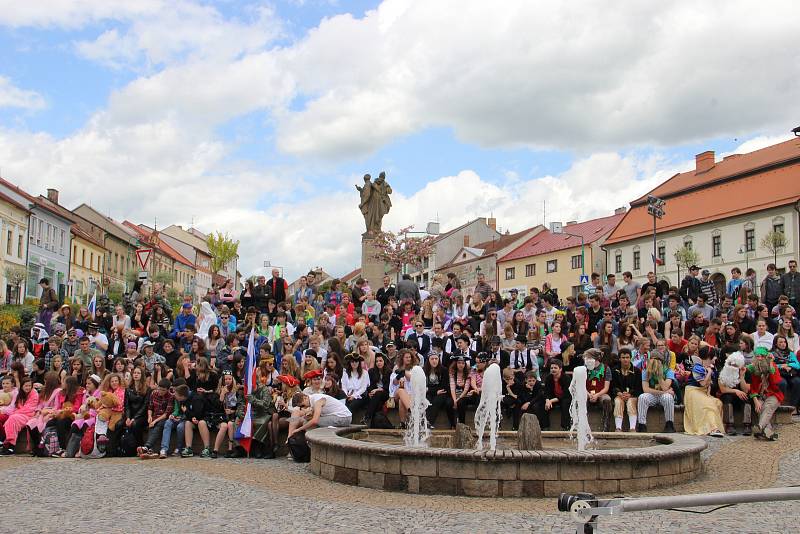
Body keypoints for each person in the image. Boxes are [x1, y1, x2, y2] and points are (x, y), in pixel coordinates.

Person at [683, 346, 724, 437]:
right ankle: (712, 428)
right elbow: (702, 383)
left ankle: (714, 426)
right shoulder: (697, 368)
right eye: (714, 356)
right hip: (693, 391)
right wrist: (709, 372)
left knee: (717, 402)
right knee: (708, 404)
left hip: (702, 392)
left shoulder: (710, 367)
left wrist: (708, 394)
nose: (715, 358)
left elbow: (708, 385)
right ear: (709, 357)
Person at [748, 347, 783, 440]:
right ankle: (768, 432)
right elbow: (753, 388)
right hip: (760, 395)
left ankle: (759, 427)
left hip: (773, 394)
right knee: (760, 408)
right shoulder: (754, 369)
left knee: (768, 407)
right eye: (757, 356)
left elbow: (776, 381)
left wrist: (771, 364)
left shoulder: (773, 366)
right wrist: (756, 401)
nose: (759, 358)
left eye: (762, 356)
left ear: (766, 357)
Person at [636, 354, 676, 433]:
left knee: (668, 397)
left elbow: (665, 387)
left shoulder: (668, 370)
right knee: (642, 397)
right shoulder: (646, 370)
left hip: (664, 396)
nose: (654, 363)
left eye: (657, 361)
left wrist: (659, 374)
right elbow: (645, 389)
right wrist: (664, 392)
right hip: (652, 395)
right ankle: (642, 425)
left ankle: (669, 425)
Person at [287, 391, 352, 439]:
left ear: (305, 398)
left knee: (309, 423)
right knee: (306, 421)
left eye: (302, 405)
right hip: (340, 417)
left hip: (344, 418)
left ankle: (311, 443)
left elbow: (315, 420)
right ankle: (311, 442)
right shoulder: (313, 400)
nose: (303, 408)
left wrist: (299, 429)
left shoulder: (317, 401)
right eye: (301, 407)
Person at [0, 377, 40, 455]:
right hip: (18, 414)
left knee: (12, 418)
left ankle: (10, 445)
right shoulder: (18, 393)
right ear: (22, 386)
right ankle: (9, 446)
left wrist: (15, 413)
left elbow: (30, 408)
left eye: (29, 386)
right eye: (26, 386)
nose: (28, 387)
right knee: (12, 420)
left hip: (28, 415)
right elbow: (15, 406)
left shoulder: (34, 393)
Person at [137, 378, 174, 459]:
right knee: (151, 425)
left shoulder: (170, 396)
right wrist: (149, 417)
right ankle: (149, 449)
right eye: (159, 389)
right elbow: (150, 407)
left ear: (167, 390)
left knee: (159, 424)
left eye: (163, 390)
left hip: (163, 418)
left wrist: (155, 421)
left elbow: (166, 414)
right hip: (154, 416)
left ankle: (147, 447)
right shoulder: (154, 393)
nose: (160, 392)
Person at [717, 351, 751, 435]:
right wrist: (736, 391)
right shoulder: (722, 372)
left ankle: (747, 425)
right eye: (730, 364)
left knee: (746, 397)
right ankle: (729, 425)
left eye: (735, 366)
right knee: (727, 397)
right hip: (727, 396)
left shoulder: (745, 372)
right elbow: (723, 389)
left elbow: (746, 390)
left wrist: (742, 377)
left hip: (740, 397)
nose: (732, 367)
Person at [611, 348, 642, 432]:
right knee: (618, 402)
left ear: (630, 358)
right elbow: (612, 386)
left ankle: (632, 428)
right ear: (619, 359)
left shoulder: (637, 371)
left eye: (627, 357)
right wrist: (619, 393)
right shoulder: (614, 370)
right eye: (623, 357)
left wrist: (630, 394)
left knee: (630, 402)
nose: (625, 359)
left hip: (633, 396)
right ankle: (618, 428)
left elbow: (639, 388)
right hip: (619, 395)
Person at [582, 349, 612, 432]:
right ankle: (581, 427)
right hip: (587, 392)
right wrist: (588, 394)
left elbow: (606, 387)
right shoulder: (584, 368)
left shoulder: (606, 368)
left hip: (600, 393)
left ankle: (606, 427)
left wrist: (597, 395)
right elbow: (581, 385)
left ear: (594, 359)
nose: (586, 360)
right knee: (581, 400)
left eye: (587, 358)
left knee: (607, 400)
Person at [543, 359, 571, 430]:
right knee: (542, 404)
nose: (553, 370)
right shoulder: (548, 378)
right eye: (551, 368)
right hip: (553, 397)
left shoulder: (566, 378)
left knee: (565, 403)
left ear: (560, 369)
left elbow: (566, 394)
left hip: (564, 397)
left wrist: (551, 401)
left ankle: (565, 427)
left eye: (555, 368)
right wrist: (547, 401)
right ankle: (545, 426)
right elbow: (546, 392)